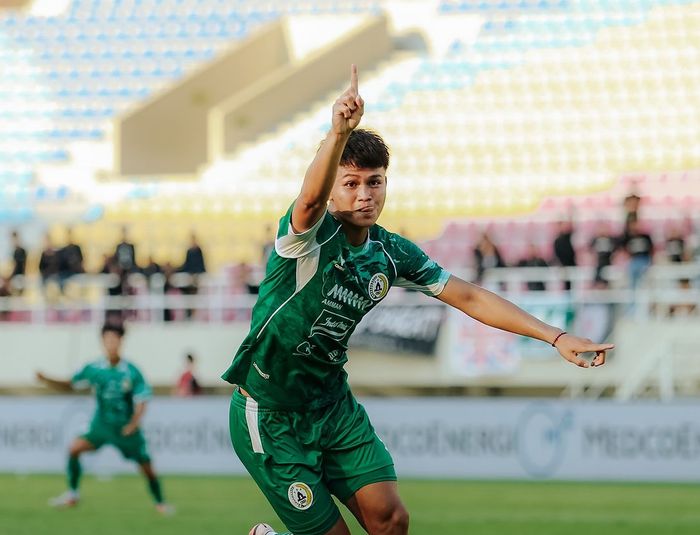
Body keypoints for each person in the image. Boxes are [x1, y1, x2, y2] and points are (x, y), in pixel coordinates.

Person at [221, 65, 613, 535]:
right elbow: (307, 200)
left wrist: (556, 336)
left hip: (331, 405)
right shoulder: (307, 238)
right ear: (332, 191)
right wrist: (337, 133)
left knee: (391, 520)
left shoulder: (390, 252)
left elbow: (467, 295)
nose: (365, 194)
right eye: (351, 183)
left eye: (375, 181)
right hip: (270, 412)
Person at [35, 323, 172, 514]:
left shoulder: (132, 371)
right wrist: (47, 379)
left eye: (114, 339)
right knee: (74, 449)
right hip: (101, 426)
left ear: (121, 341)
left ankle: (160, 503)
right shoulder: (94, 368)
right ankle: (73, 494)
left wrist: (134, 423)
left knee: (147, 467)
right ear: (102, 342)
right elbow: (70, 384)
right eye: (107, 339)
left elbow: (142, 400)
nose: (111, 343)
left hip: (126, 429)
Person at [553, 220, 577, 290]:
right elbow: (557, 255)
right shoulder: (557, 241)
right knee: (566, 285)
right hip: (563, 266)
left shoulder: (567, 237)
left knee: (572, 285)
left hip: (571, 264)